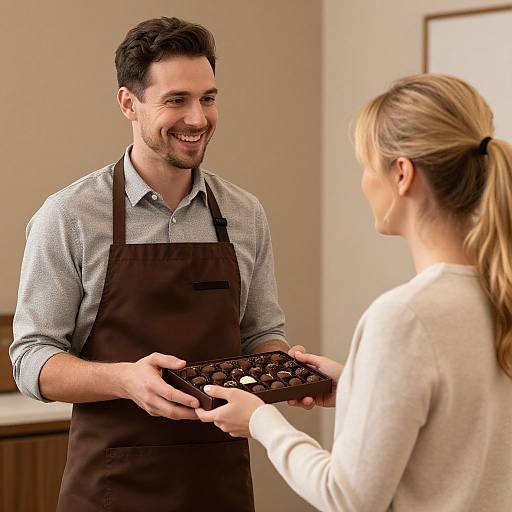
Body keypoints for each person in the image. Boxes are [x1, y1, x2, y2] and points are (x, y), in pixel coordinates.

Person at [10, 16, 303, 512]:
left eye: (208, 98)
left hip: (219, 483)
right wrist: (124, 379)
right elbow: (30, 360)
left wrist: (279, 369)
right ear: (129, 103)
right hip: (111, 486)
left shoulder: (244, 212)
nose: (197, 118)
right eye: (176, 101)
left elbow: (260, 333)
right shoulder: (71, 215)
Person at [197, 74, 512, 511]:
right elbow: (461, 429)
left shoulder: (405, 318)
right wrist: (360, 388)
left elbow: (346, 497)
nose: (364, 181)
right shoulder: (499, 294)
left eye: (367, 164)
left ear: (402, 174)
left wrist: (261, 420)